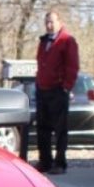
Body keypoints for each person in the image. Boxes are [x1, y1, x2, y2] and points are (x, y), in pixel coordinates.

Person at [34, 10, 79, 175]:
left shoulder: (67, 41)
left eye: (52, 22)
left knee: (60, 129)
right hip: (42, 89)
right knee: (42, 128)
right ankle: (45, 161)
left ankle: (60, 163)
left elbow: (72, 66)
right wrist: (38, 82)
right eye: (46, 22)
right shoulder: (43, 41)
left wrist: (66, 87)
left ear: (60, 22)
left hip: (58, 90)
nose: (49, 25)